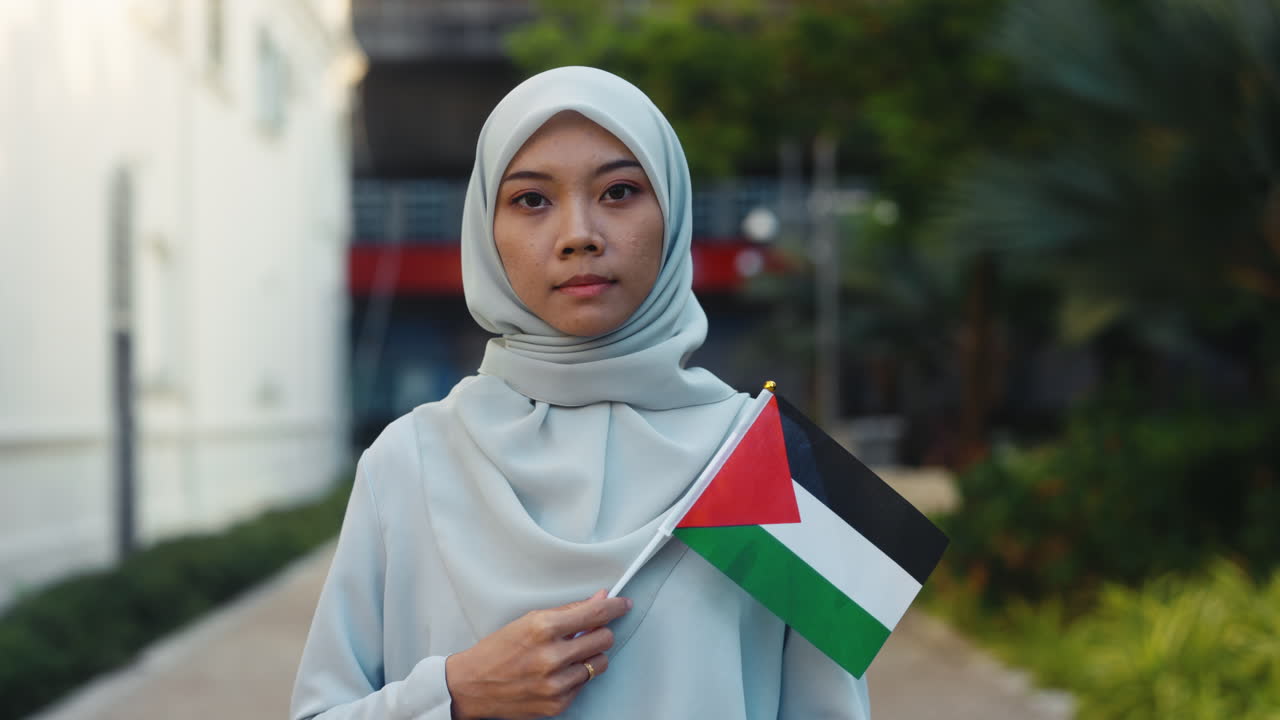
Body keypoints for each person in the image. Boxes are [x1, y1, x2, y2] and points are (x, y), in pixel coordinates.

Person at [290, 66, 872, 720]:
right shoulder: (409, 461)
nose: (579, 235)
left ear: (672, 210)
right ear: (486, 229)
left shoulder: (781, 462)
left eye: (619, 191)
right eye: (531, 200)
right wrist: (454, 693)